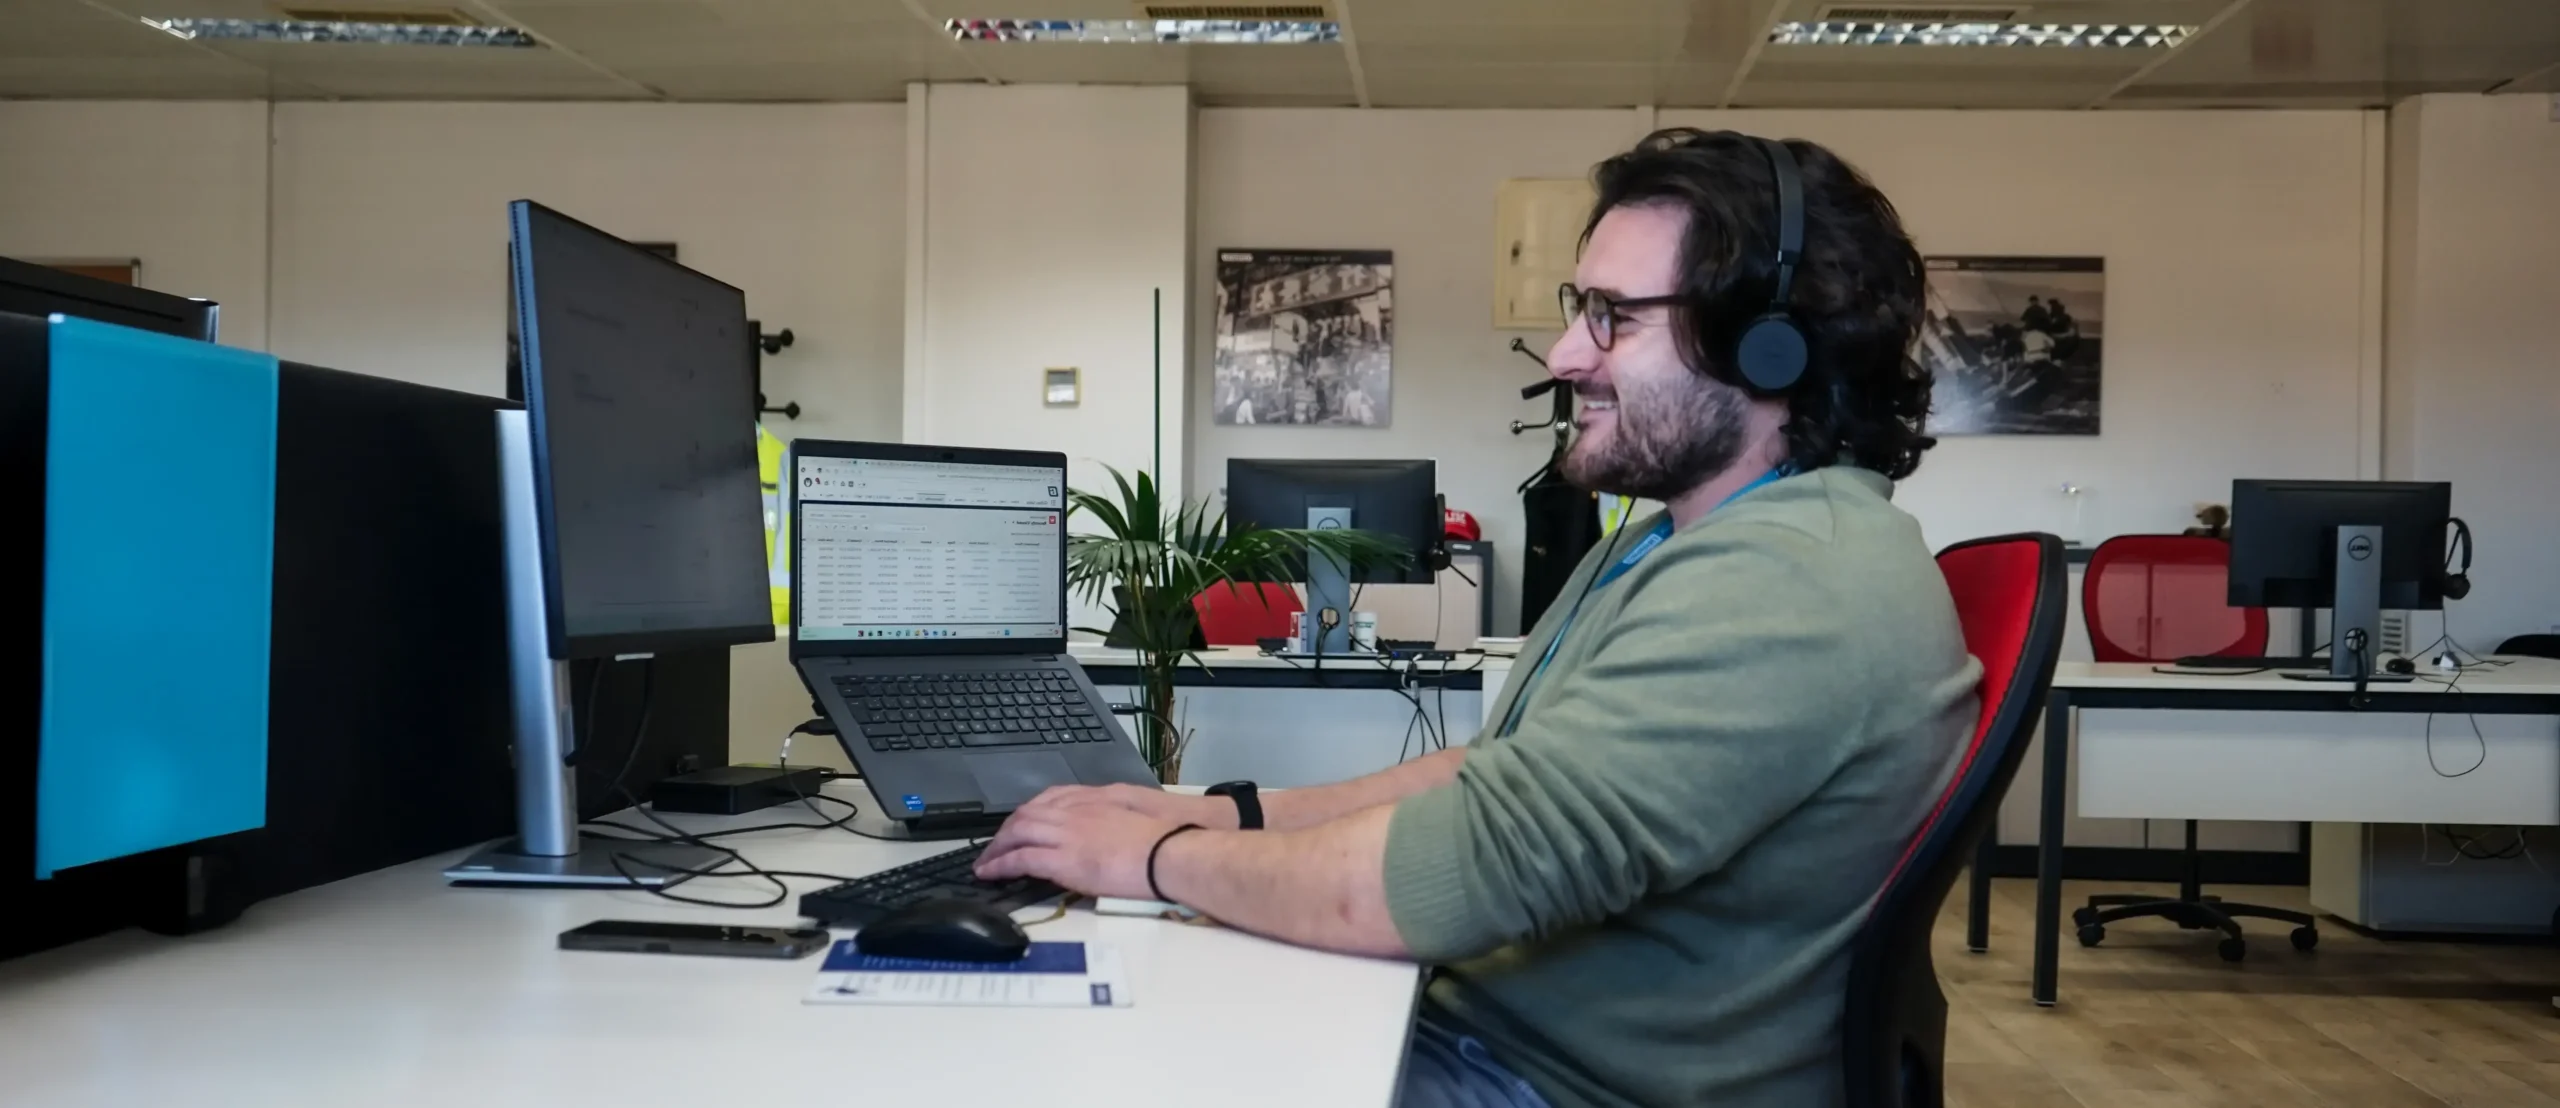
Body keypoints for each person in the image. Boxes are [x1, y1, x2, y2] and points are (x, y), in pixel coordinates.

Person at [974, 128, 1981, 1108]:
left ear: (1768, 347)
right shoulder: (1672, 543)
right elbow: (1499, 777)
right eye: (1575, 308)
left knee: (1064, 1063)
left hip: (1549, 1080)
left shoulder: (1790, 583)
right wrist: (1224, 814)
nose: (1562, 353)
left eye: (1613, 317)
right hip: (1494, 1032)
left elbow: (1449, 878)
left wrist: (1147, 858)